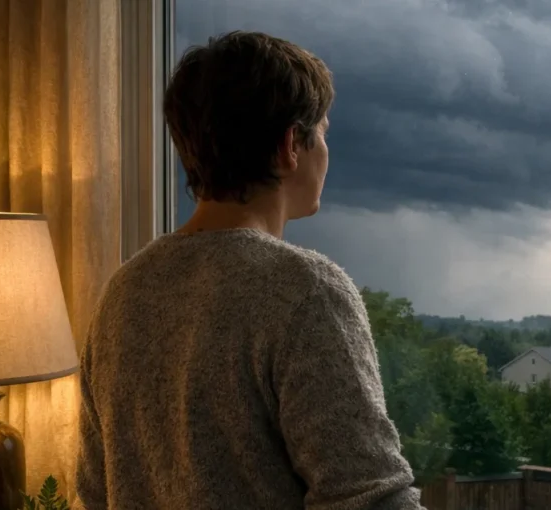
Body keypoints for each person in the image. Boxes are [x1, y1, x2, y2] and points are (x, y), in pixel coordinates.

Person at [74, 31, 423, 510]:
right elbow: (370, 498)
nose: (326, 152)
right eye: (322, 132)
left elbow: (96, 492)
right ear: (290, 146)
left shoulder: (124, 290)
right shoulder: (304, 290)